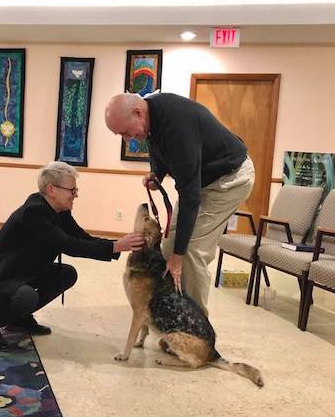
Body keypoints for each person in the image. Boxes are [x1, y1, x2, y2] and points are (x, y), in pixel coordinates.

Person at [0, 161, 145, 350]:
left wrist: (116, 244)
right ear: (52, 189)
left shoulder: (59, 211)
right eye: (72, 190)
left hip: (17, 271)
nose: (75, 195)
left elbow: (82, 238)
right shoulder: (34, 212)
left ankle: (18, 318)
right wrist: (116, 246)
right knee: (26, 297)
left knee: (66, 274)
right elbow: (68, 245)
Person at [105, 92, 255, 314]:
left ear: (138, 112)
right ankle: (173, 313)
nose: (129, 139)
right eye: (122, 135)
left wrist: (178, 257)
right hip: (202, 180)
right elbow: (158, 147)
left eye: (126, 132)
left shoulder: (177, 126)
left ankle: (194, 328)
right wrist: (157, 172)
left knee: (191, 251)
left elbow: (190, 198)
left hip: (230, 179)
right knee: (169, 245)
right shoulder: (151, 114)